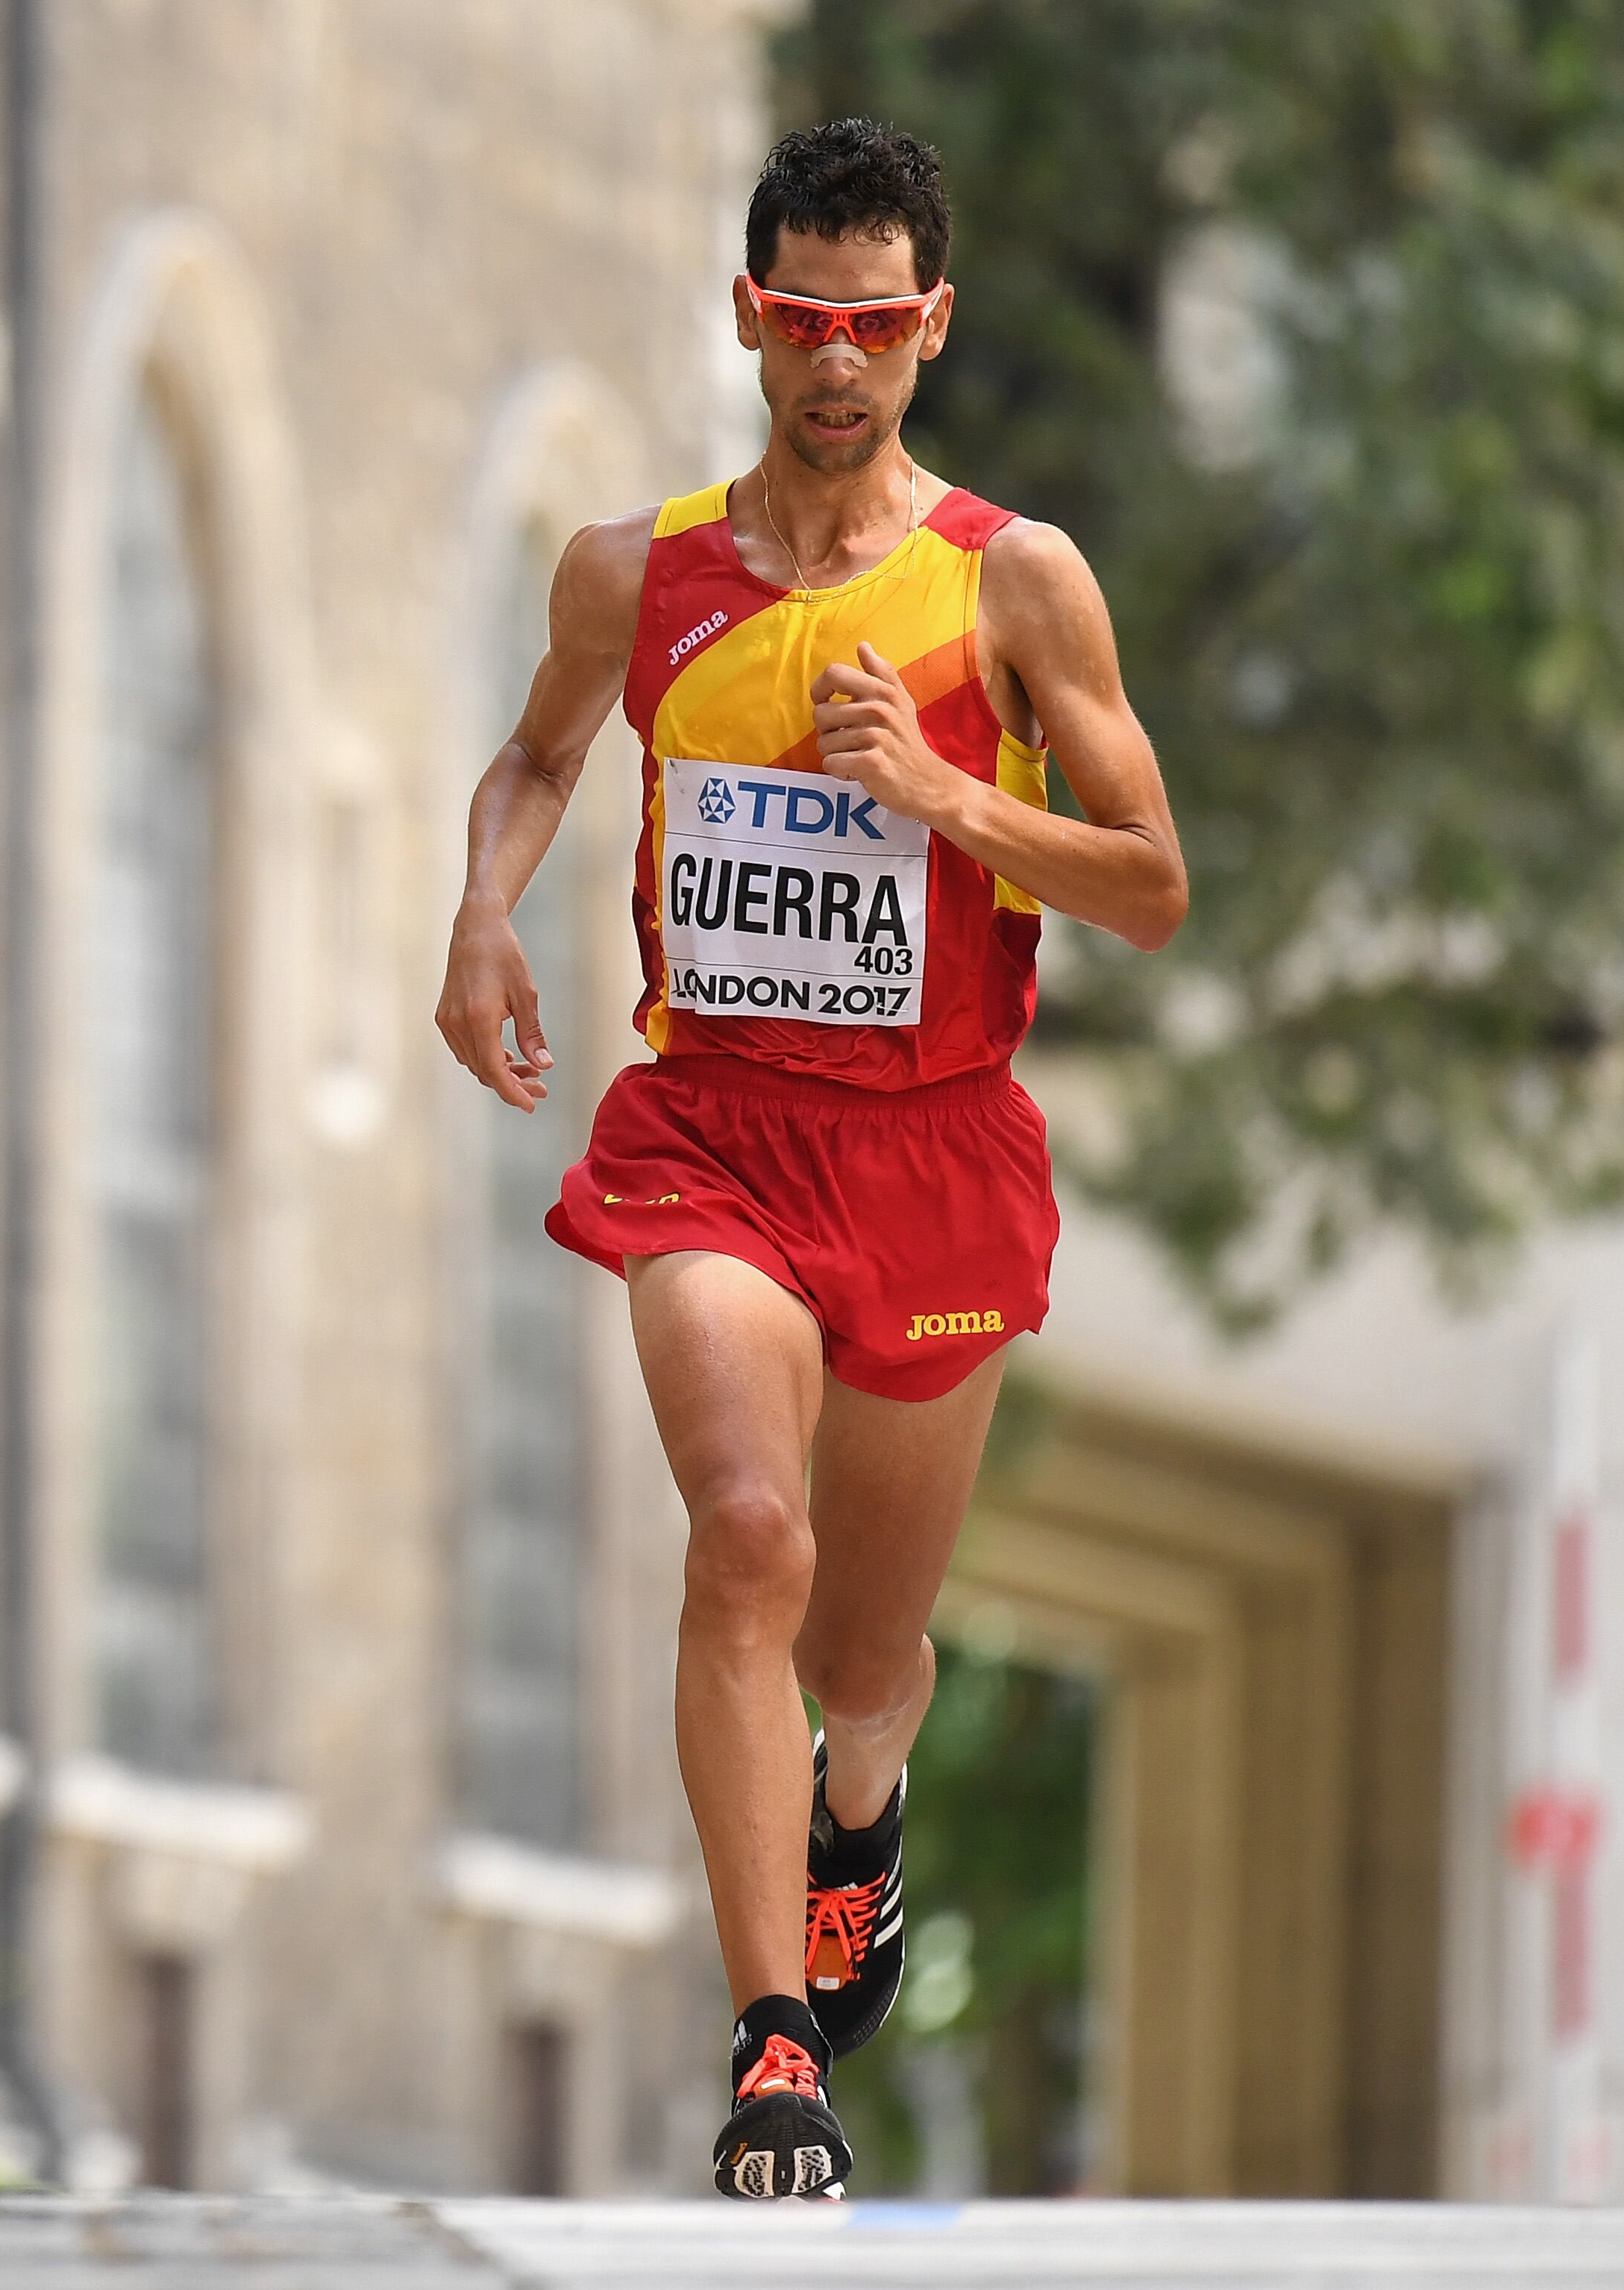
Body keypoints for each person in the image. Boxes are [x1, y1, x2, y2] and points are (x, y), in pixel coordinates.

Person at [433, 117, 1187, 2200]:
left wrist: (947, 794)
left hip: (932, 1155)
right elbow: (533, 757)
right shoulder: (637, 571)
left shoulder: (1010, 580)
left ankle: (861, 1806)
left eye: (870, 324)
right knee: (745, 1538)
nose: (830, 361)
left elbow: (1145, 883)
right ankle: (774, 2047)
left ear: (926, 327)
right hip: (713, 1140)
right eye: (795, 319)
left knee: (863, 1649)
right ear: (747, 315)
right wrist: (485, 911)